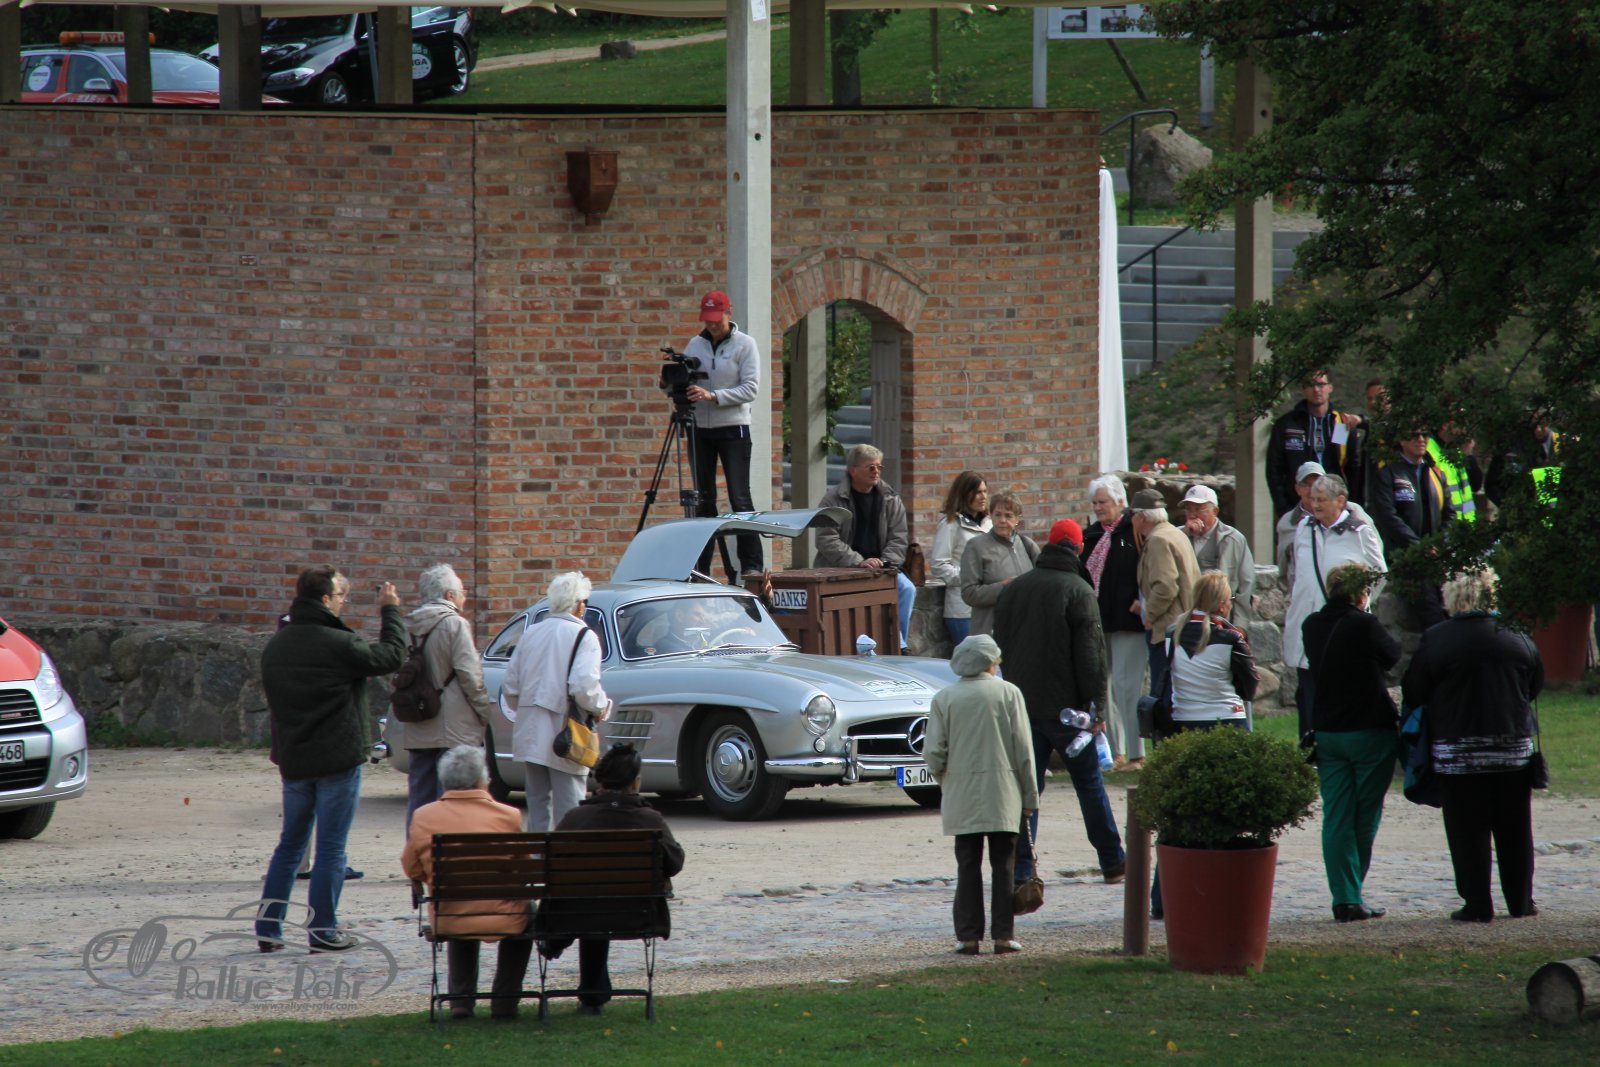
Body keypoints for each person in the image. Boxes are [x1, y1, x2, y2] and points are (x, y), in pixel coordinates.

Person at [255, 565, 406, 953]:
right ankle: (323, 930)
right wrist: (390, 610)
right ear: (325, 599)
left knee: (290, 847)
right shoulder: (337, 643)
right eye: (341, 596)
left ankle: (268, 928)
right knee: (331, 850)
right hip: (337, 760)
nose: (343, 602)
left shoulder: (277, 647)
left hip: (295, 760)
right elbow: (391, 655)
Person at [1401, 568, 1544, 923]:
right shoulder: (1516, 634)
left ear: (1451, 598)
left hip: (1457, 753)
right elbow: (1535, 683)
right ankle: (1520, 901)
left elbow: (1414, 688)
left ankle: (1478, 903)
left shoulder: (1437, 639)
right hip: (1511, 750)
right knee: (1515, 829)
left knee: (1467, 831)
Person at [992, 518, 1127, 886]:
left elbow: (1000, 645)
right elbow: (1091, 657)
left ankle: (1023, 868)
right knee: (1089, 784)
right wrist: (1096, 707)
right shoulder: (1078, 590)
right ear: (1079, 549)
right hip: (1069, 713)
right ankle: (1113, 861)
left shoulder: (1015, 589)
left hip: (1022, 705)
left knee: (1027, 789)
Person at [542, 743, 686, 1014]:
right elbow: (675, 862)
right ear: (635, 782)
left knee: (593, 902)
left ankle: (590, 992)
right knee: (604, 902)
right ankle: (593, 994)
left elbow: (551, 865)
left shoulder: (575, 819)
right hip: (637, 914)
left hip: (577, 916)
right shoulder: (649, 820)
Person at [1149, 570, 1258, 920]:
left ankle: (1161, 898)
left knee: (1179, 813)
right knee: (1226, 810)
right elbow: (1250, 687)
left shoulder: (1173, 634)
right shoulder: (1231, 638)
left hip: (1184, 726)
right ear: (1223, 603)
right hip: (1226, 725)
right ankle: (1218, 890)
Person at [923, 635, 1038, 956]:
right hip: (1004, 792)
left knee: (967, 865)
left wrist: (946, 779)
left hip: (961, 792)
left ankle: (968, 936)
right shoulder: (1009, 693)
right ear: (990, 663)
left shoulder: (944, 698)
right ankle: (1003, 935)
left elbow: (933, 752)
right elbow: (1024, 750)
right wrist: (1030, 796)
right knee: (1004, 865)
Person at [401, 745, 534, 1019]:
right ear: (482, 779)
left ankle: (461, 1000)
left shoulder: (424, 816)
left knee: (458, 903)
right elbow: (525, 869)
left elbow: (412, 868)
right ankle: (505, 1000)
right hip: (503, 916)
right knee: (527, 912)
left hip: (450, 917)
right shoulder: (508, 815)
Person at [1301, 563, 1400, 923]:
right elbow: (1393, 655)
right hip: (1370, 729)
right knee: (1365, 813)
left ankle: (1344, 897)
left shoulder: (1311, 625)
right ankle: (1352, 891)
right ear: (1361, 593)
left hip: (1328, 730)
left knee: (1337, 814)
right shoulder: (1365, 624)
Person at [500, 571, 613, 832]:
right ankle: (566, 855)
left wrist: (527, 709)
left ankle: (537, 853)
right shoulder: (584, 636)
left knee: (537, 805)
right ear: (578, 604)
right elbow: (583, 687)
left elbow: (510, 686)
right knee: (570, 808)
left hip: (530, 729)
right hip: (565, 732)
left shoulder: (531, 632)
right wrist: (601, 706)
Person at [1282, 475, 1387, 742]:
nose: (1315, 505)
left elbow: (1379, 573)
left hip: (1344, 625)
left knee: (1342, 690)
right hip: (1308, 621)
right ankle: (1309, 747)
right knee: (1308, 690)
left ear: (1340, 501)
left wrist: (1359, 603)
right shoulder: (1304, 527)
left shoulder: (1359, 531)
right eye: (1313, 499)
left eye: (1322, 500)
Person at [402, 563, 495, 833]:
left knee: (419, 795)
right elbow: (470, 675)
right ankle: (445, 851)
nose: (464, 597)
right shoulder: (455, 625)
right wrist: (483, 712)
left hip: (418, 718)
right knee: (452, 797)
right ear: (449, 595)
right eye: (462, 592)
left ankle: (417, 849)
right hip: (455, 722)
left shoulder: (408, 625)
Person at [682, 289, 763, 579]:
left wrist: (713, 396)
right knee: (703, 500)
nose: (712, 324)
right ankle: (701, 568)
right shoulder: (695, 344)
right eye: (708, 319)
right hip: (700, 430)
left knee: (739, 498)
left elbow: (751, 388)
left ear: (729, 314)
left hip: (733, 429)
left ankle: (751, 564)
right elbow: (686, 378)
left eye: (717, 318)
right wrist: (674, 384)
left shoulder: (745, 344)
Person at [814, 443, 915, 650]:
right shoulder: (833, 499)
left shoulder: (890, 498)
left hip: (882, 567)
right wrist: (859, 562)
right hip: (844, 567)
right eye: (870, 467)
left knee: (907, 588)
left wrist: (885, 563)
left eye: (879, 467)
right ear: (853, 470)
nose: (876, 471)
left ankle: (898, 643)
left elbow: (899, 537)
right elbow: (826, 539)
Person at [1081, 475, 1147, 768]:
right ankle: (1115, 752)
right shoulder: (1091, 535)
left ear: (1120, 501)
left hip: (1128, 620)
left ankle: (1136, 752)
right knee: (1102, 686)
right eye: (1094, 502)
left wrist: (1143, 600)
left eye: (1103, 502)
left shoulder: (1136, 530)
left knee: (1126, 685)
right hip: (1099, 621)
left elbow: (1150, 568)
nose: (1098, 507)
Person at [1367, 430, 1451, 629]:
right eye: (1414, 435)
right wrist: (1419, 547)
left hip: (1437, 555)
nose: (1420, 439)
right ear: (1402, 440)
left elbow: (1450, 514)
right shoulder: (1388, 473)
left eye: (1424, 435)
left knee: (1452, 605)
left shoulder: (1436, 473)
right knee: (1432, 613)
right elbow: (1388, 517)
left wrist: (1439, 544)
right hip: (1405, 557)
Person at [1129, 488, 1198, 700]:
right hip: (1182, 624)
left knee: (1164, 696)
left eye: (1132, 515)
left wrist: (1150, 615)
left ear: (1141, 517)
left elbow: (1166, 586)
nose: (1131, 520)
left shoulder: (1158, 540)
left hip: (1168, 629)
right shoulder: (1174, 533)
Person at [1266, 369, 1364, 516]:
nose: (1316, 390)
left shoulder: (1340, 424)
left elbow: (1352, 468)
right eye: (1310, 385)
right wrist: (1283, 508)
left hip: (1334, 507)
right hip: (1297, 506)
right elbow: (1274, 469)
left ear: (1330, 387)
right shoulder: (1288, 424)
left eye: (1321, 384)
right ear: (1303, 390)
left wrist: (1350, 505)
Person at [958, 492, 1039, 638]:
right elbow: (969, 593)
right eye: (997, 515)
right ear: (991, 515)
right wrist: (1004, 587)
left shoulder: (1028, 546)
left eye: (1008, 516)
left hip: (1023, 633)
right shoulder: (976, 547)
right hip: (990, 635)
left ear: (1017, 519)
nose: (1002, 520)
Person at [928, 470, 992, 647]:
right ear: (964, 494)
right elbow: (939, 565)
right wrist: (970, 577)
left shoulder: (989, 523)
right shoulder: (950, 524)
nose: (983, 497)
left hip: (987, 607)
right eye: (978, 492)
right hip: (962, 610)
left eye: (985, 491)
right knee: (971, 661)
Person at [1179, 484, 1256, 620]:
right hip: (1185, 617)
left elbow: (1246, 585)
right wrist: (1183, 536)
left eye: (1198, 509)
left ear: (1215, 511)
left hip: (1220, 619)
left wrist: (1240, 624)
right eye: (1188, 509)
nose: (1192, 515)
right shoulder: (1177, 536)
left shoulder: (1233, 539)